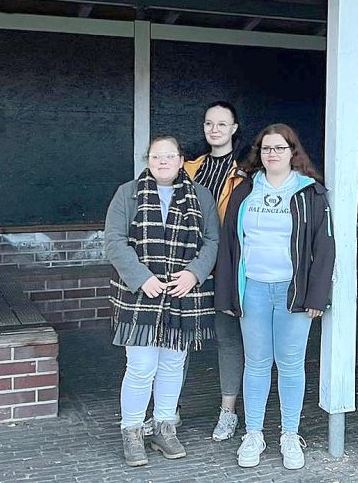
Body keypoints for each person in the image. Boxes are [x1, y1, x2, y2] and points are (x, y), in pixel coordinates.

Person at [214, 123, 335, 470]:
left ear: (292, 152)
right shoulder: (245, 191)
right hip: (253, 288)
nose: (272, 154)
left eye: (280, 148)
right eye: (266, 148)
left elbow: (324, 247)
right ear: (259, 153)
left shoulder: (310, 192)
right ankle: (253, 433)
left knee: (291, 364)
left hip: (293, 292)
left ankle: (289, 434)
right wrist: (229, 295)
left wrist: (317, 296)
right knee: (256, 363)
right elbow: (230, 243)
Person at [104, 136, 219, 467]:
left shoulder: (201, 196)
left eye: (170, 156)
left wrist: (194, 273)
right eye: (157, 156)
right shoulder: (127, 194)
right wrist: (143, 278)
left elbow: (212, 240)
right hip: (140, 294)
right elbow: (114, 242)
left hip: (184, 293)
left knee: (172, 364)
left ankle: (164, 428)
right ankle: (132, 431)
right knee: (141, 367)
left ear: (182, 160)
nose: (163, 161)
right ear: (148, 160)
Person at [184, 101, 246, 442]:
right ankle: (169, 410)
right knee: (178, 337)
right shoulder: (190, 167)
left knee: (227, 339)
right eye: (209, 123)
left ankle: (228, 412)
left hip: (227, 264)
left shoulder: (247, 169)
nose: (215, 129)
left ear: (234, 128)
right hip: (190, 264)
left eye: (222, 124)